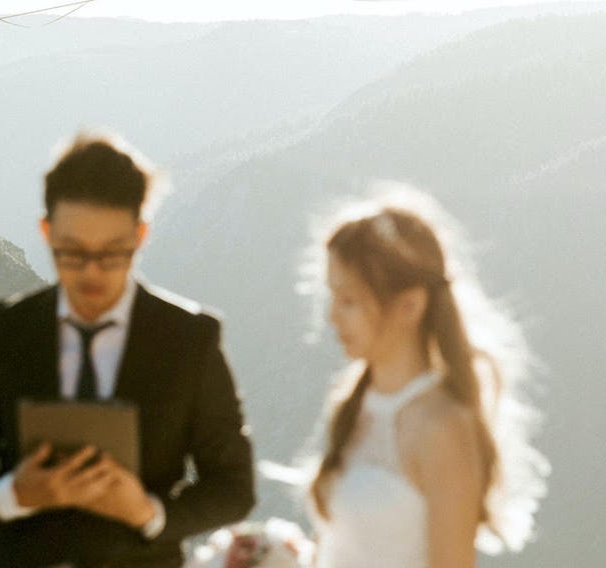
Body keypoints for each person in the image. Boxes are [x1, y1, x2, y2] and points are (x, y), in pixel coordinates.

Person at [0, 132, 255, 568]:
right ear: (46, 232)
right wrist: (14, 494)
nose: (91, 273)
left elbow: (234, 487)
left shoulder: (189, 339)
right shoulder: (5, 330)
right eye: (71, 253)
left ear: (140, 235)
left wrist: (148, 513)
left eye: (112, 254)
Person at [229, 189, 546, 568]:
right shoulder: (352, 400)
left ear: (409, 306)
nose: (332, 317)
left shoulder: (443, 426)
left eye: (349, 301)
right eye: (330, 297)